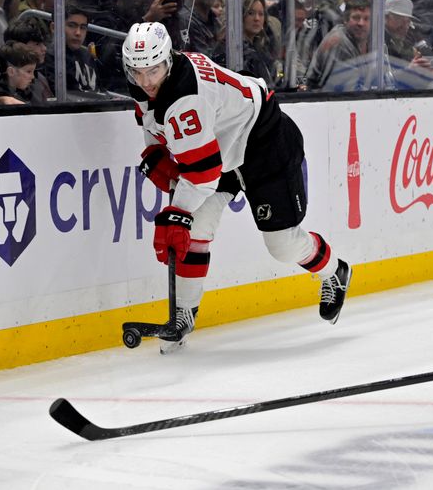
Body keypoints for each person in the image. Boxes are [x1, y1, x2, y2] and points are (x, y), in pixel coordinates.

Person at [122, 22, 352, 353]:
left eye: (153, 71)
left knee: (283, 247)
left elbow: (203, 174)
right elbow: (153, 125)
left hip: (265, 142)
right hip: (222, 146)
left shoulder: (185, 97)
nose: (146, 82)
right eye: (137, 72)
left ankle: (335, 271)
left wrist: (176, 213)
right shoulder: (150, 83)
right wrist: (155, 153)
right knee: (197, 225)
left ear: (168, 61)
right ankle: (183, 314)